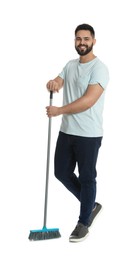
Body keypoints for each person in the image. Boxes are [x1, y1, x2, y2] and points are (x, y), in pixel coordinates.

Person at [46, 23, 109, 242]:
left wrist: (59, 110)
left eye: (86, 39)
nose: (81, 43)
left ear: (93, 41)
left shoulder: (100, 68)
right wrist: (53, 83)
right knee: (61, 172)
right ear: (75, 41)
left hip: (89, 135)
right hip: (67, 132)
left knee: (87, 177)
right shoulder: (70, 65)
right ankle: (90, 204)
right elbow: (59, 80)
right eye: (78, 39)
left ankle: (84, 222)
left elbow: (88, 101)